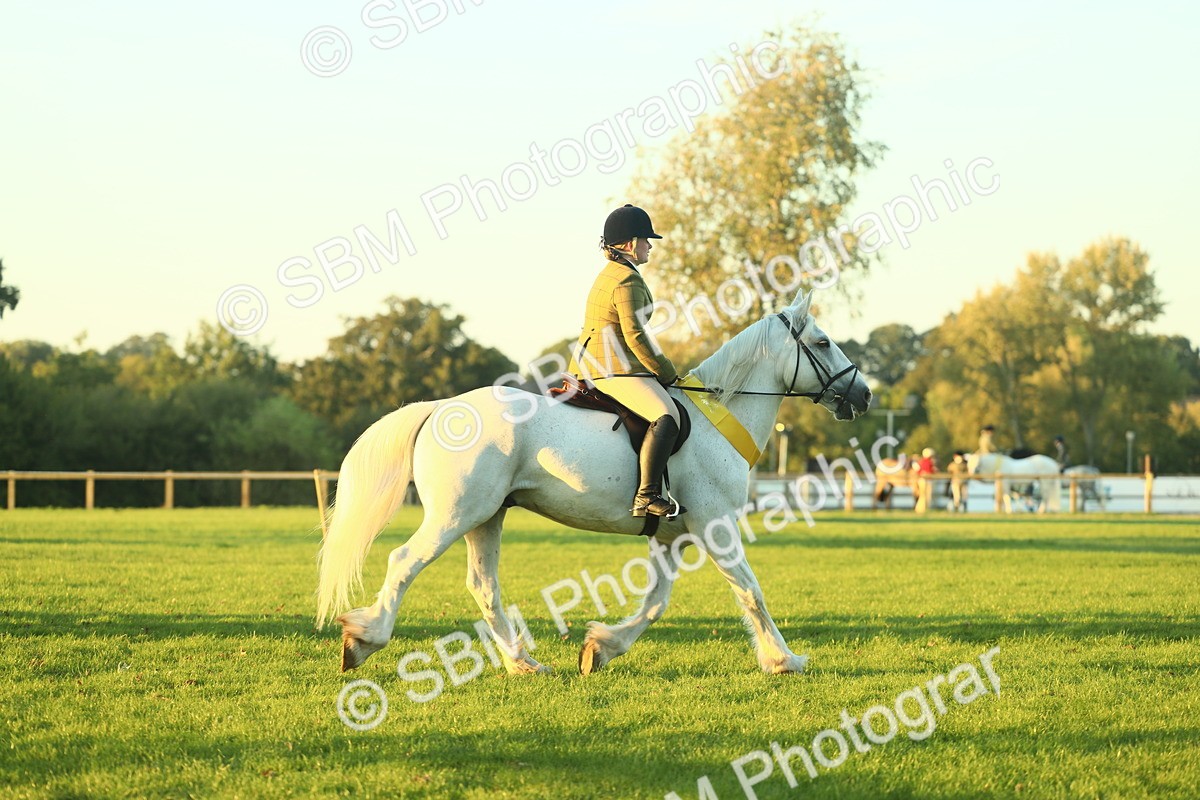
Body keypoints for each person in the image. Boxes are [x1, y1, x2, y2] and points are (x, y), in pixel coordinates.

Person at [567, 204, 682, 519]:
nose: (650, 246)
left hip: (597, 363)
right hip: (612, 368)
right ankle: (647, 496)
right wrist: (668, 373)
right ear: (631, 243)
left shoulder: (611, 273)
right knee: (667, 416)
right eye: (647, 239)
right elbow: (636, 336)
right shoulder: (627, 280)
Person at [914, 447, 938, 512]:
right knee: (926, 495)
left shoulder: (920, 461)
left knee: (922, 495)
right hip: (927, 480)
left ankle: (920, 509)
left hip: (921, 480)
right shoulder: (930, 462)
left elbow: (917, 470)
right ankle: (924, 508)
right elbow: (932, 471)